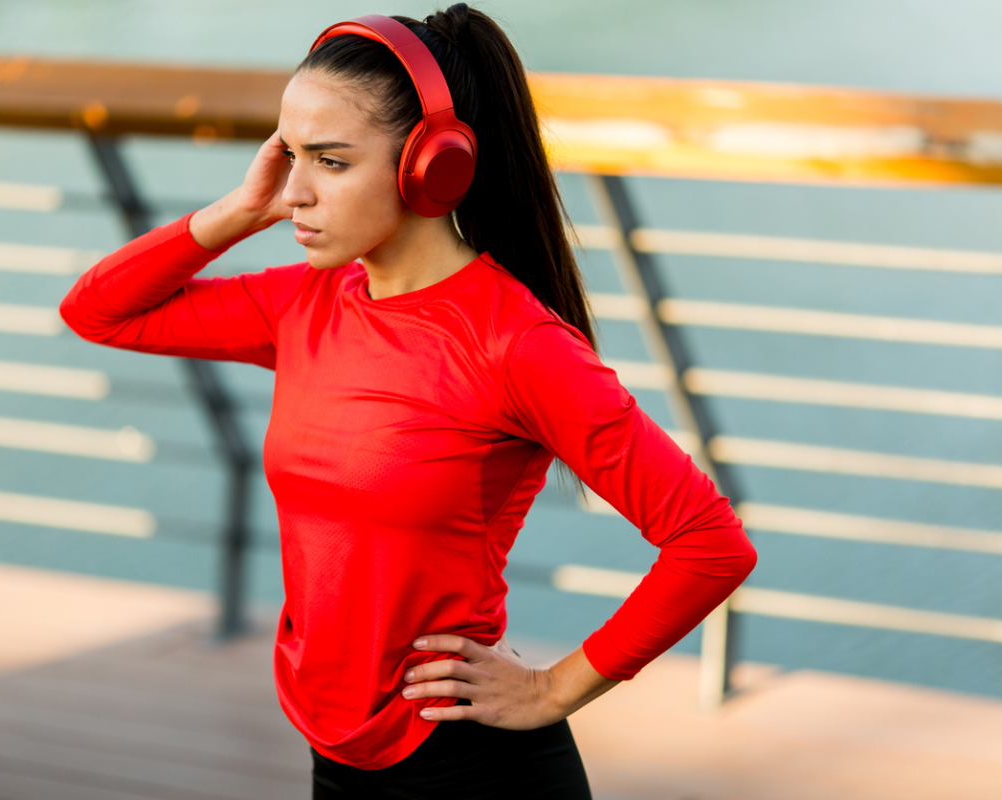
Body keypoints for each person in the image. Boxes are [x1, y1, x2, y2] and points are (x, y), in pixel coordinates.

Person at [59, 4, 757, 798]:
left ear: (430, 166)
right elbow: (98, 313)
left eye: (330, 161)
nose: (297, 193)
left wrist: (554, 688)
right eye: (289, 156)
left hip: (468, 768)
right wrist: (236, 213)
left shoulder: (517, 343)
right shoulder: (304, 303)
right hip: (336, 750)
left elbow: (710, 542)